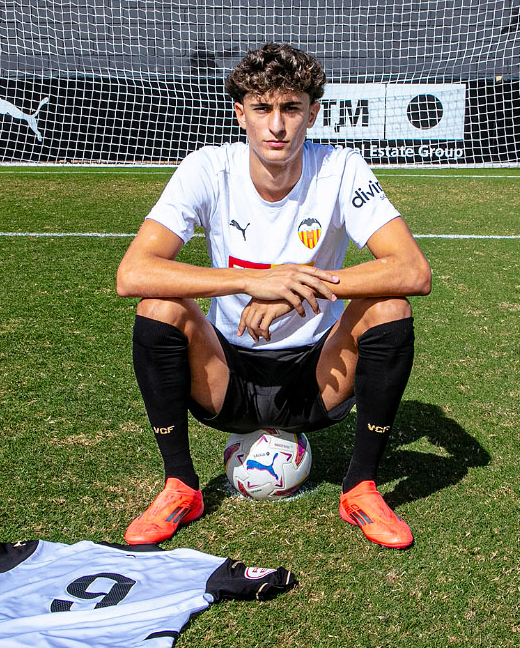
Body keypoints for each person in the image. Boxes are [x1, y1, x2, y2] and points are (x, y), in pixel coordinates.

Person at [115, 43, 431, 549]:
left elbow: (412, 269)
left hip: (317, 377)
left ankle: (361, 487)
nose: (276, 126)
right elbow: (133, 273)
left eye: (290, 108)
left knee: (390, 306)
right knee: (158, 306)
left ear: (313, 113)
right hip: (227, 375)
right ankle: (180, 485)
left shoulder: (341, 169)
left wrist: (294, 287)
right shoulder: (207, 168)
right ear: (240, 114)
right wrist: (246, 281)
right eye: (262, 109)